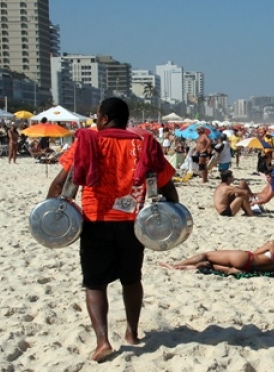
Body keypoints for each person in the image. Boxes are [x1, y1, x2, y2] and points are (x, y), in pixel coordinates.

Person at [46, 97, 178, 362]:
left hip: (96, 222)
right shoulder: (145, 143)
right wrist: (172, 215)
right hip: (134, 224)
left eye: (97, 115)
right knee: (131, 279)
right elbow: (167, 187)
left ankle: (103, 342)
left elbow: (60, 183)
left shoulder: (87, 140)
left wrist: (51, 216)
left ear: (104, 117)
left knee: (95, 283)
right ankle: (132, 333)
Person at [159, 224, 274, 273]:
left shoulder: (273, 244)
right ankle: (190, 268)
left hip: (246, 259)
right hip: (249, 269)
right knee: (211, 265)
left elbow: (255, 252)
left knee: (207, 255)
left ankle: (176, 265)